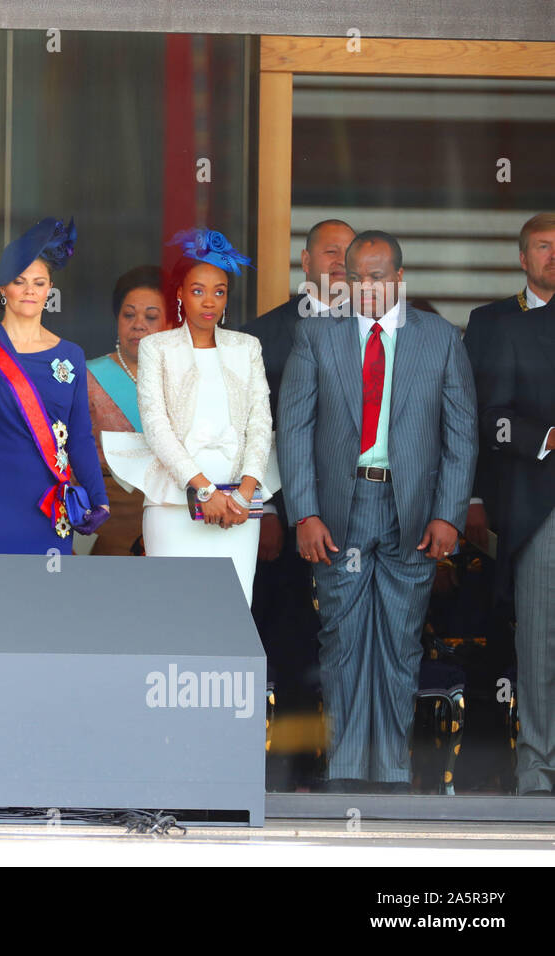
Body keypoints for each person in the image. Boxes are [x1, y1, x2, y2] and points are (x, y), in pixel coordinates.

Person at [277, 229, 476, 793]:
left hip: (412, 508)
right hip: (341, 507)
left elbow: (462, 435)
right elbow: (293, 429)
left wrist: (450, 514)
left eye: (378, 277)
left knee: (401, 637)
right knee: (341, 639)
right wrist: (304, 512)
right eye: (357, 277)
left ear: (399, 279)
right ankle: (345, 771)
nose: (366, 287)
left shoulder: (439, 338)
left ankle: (389, 773)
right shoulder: (315, 336)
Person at [103, 230, 273, 603]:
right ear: (179, 293)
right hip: (174, 504)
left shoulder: (247, 348)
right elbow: (156, 425)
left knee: (232, 610)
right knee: (173, 610)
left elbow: (261, 423)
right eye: (197, 290)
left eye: (219, 290)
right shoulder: (156, 347)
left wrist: (244, 494)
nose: (209, 301)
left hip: (238, 510)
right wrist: (204, 490)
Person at [244, 219, 353, 749]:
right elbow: (253, 431)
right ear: (305, 263)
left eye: (350, 253)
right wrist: (263, 508)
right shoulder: (263, 335)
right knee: (288, 633)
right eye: (329, 252)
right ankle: (288, 766)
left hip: (361, 509)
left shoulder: (382, 329)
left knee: (352, 637)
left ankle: (352, 761)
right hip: (286, 512)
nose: (340, 261)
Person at [0, 217, 109, 556]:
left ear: (50, 288)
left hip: (51, 504)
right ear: (3, 288)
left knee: (47, 603)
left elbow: (80, 437)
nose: (29, 290)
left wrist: (99, 499)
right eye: (19, 282)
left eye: (39, 282)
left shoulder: (72, 355)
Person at [479, 300, 555, 794]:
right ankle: (538, 768)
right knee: (540, 645)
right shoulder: (515, 331)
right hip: (544, 508)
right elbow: (493, 420)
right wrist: (546, 436)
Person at [463, 213, 555, 554]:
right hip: (504, 490)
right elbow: (468, 412)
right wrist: (471, 496)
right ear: (522, 258)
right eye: (544, 246)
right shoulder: (488, 321)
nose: (553, 256)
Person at [85, 265, 166, 555]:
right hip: (109, 511)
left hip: (170, 510)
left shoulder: (184, 379)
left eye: (151, 316)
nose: (139, 324)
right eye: (129, 315)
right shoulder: (89, 377)